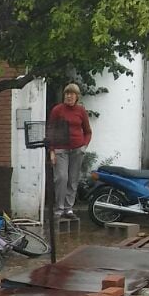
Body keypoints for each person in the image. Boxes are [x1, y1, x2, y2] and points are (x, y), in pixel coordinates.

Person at [47, 83, 92, 220]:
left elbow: (88, 132)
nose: (69, 96)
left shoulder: (81, 111)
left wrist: (84, 146)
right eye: (67, 93)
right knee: (61, 178)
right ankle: (59, 209)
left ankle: (69, 209)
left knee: (73, 179)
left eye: (72, 94)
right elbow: (50, 130)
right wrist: (52, 151)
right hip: (60, 149)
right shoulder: (57, 110)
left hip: (77, 150)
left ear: (77, 96)